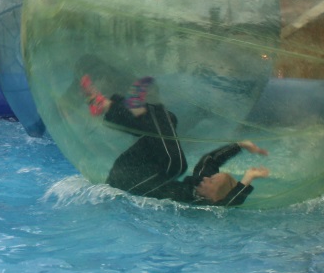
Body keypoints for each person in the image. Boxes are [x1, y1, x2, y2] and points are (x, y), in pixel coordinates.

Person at [81, 75, 269, 206]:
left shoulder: (204, 203)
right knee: (168, 120)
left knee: (177, 164)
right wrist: (240, 145)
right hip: (133, 169)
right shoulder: (200, 184)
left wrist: (248, 177)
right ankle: (108, 105)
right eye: (211, 178)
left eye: (211, 182)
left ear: (214, 198)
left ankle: (128, 108)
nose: (206, 179)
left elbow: (231, 200)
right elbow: (210, 160)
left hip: (128, 185)